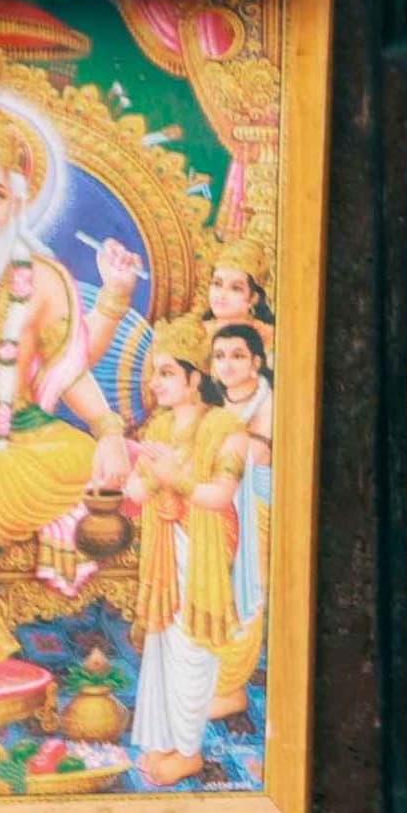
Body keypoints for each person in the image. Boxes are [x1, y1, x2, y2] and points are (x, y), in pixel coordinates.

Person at [0, 102, 137, 671]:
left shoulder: (41, 279)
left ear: (18, 199)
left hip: (16, 445)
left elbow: (68, 369)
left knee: (75, 455)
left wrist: (108, 429)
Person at [124, 316, 243, 787]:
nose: (156, 384)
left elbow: (219, 496)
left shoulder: (226, 428)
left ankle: (188, 752)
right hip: (164, 552)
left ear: (197, 379)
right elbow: (136, 491)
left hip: (205, 549)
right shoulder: (159, 427)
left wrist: (177, 478)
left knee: (190, 648)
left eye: (168, 373)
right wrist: (138, 474)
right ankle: (162, 742)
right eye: (155, 373)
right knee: (161, 644)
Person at [204, 316, 268, 720]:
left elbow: (254, 459)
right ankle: (206, 680)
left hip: (257, 505)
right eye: (220, 356)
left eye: (238, 356)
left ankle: (230, 688)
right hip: (219, 502)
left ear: (256, 363)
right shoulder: (217, 403)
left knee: (242, 595)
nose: (227, 364)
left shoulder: (268, 402)